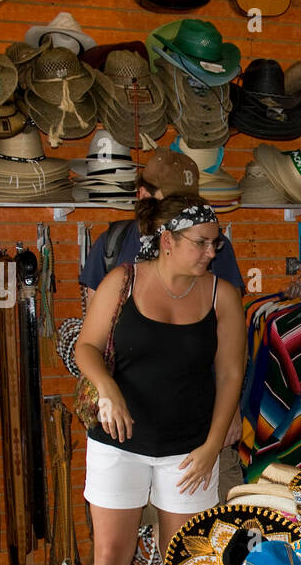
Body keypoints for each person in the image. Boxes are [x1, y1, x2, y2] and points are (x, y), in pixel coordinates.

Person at [77, 195, 245, 565]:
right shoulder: (122, 280)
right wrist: (107, 388)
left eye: (215, 243)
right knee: (110, 561)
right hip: (118, 441)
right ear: (168, 241)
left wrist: (212, 446)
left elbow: (230, 375)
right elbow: (86, 347)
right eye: (201, 242)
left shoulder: (223, 295)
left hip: (189, 449)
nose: (211, 252)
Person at [80, 147, 246, 502]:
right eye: (171, 201)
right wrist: (105, 388)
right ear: (145, 196)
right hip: (122, 426)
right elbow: (93, 338)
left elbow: (228, 354)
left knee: (183, 542)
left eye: (188, 201)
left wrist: (230, 415)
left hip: (191, 426)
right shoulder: (112, 246)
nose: (182, 212)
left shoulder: (216, 249)